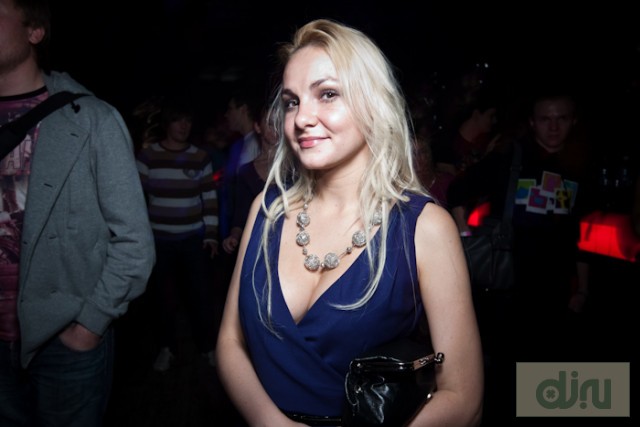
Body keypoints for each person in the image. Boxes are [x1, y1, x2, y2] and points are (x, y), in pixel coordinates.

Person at [216, 19, 484, 426]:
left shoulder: (424, 227)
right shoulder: (266, 210)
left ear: (372, 102)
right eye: (292, 101)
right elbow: (230, 340)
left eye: (327, 94)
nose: (302, 118)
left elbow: (463, 397)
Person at [0, 1, 156, 426]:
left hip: (62, 342)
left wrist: (89, 324)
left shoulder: (93, 120)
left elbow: (134, 242)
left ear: (34, 31)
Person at [447, 85, 597, 423]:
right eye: (545, 119)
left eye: (562, 119)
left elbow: (578, 235)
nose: (554, 127)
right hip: (508, 293)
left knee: (548, 383)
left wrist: (583, 289)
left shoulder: (578, 167)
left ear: (573, 121)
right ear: (532, 122)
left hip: (556, 290)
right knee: (505, 381)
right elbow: (457, 190)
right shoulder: (510, 158)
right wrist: (466, 239)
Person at [136, 96, 219, 371]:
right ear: (167, 124)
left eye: (188, 121)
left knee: (200, 297)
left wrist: (210, 234)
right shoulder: (148, 157)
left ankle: (207, 348)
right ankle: (166, 348)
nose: (184, 125)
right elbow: (136, 199)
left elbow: (209, 197)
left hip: (192, 240)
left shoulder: (200, 157)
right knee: (163, 299)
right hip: (159, 241)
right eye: (178, 120)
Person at [221, 104, 278, 255]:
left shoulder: (297, 167)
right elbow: (240, 215)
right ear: (258, 127)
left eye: (279, 122)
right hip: (259, 246)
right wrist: (234, 237)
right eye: (270, 123)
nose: (276, 128)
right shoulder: (247, 172)